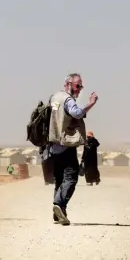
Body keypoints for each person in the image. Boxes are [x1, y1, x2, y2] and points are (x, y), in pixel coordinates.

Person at [44, 73, 98, 225]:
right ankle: (59, 204)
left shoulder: (55, 98)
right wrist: (91, 103)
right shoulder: (67, 100)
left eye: (81, 86)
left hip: (54, 146)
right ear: (68, 84)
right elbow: (77, 112)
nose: (80, 89)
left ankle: (58, 213)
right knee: (71, 177)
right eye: (77, 85)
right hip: (66, 144)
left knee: (60, 180)